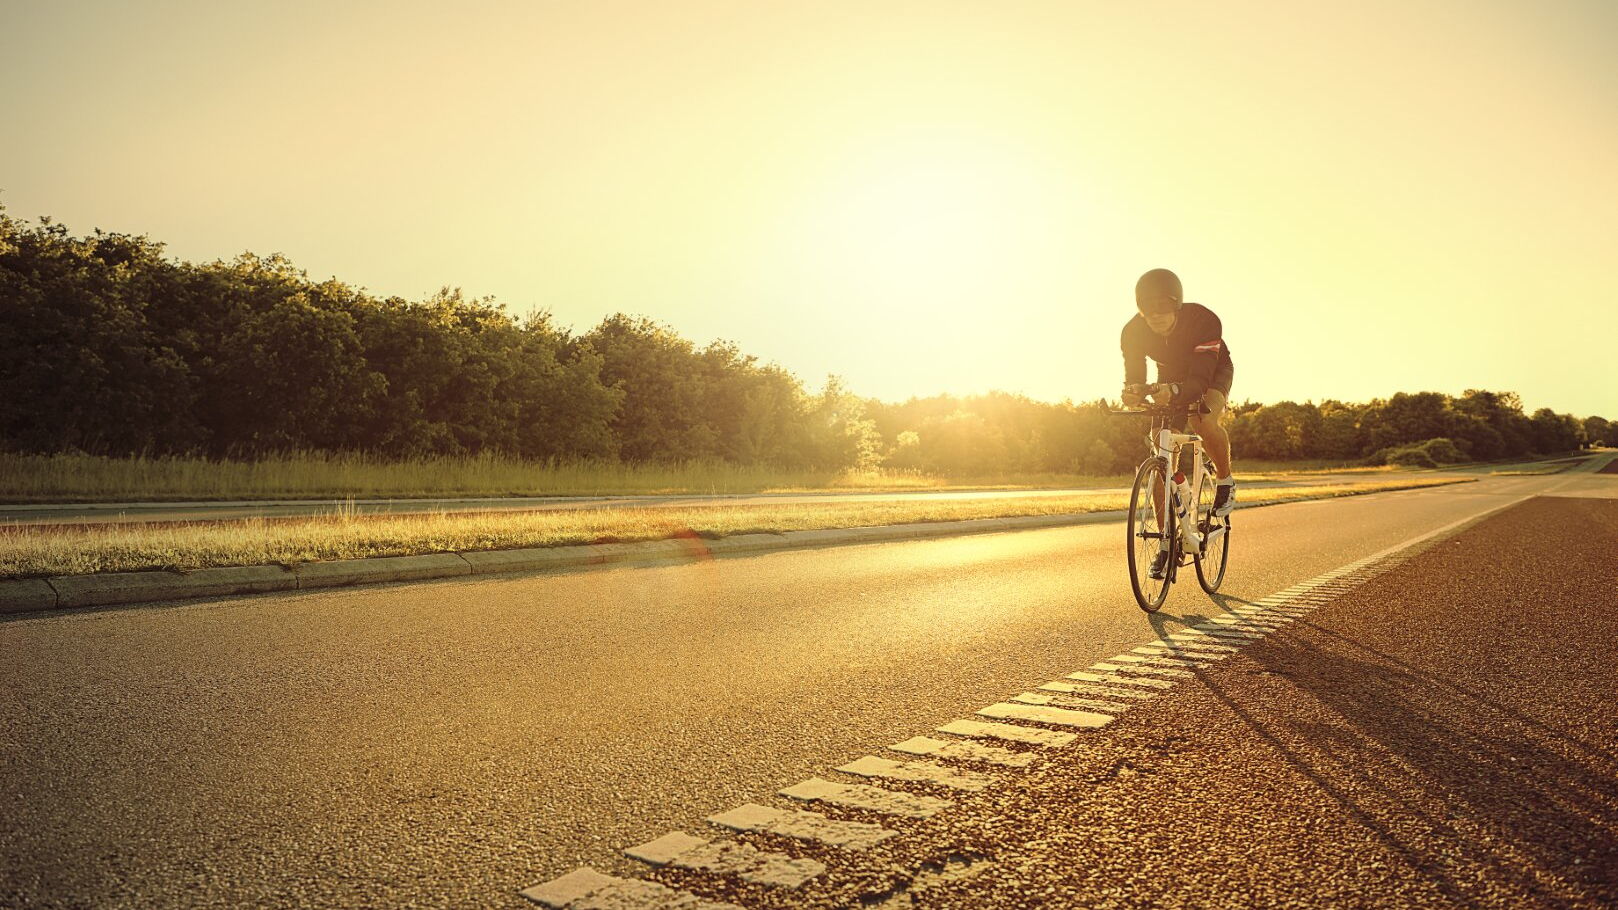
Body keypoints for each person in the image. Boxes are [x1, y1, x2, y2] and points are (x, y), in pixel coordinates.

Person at [1119, 268, 1236, 579]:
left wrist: (1173, 391)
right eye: (1148, 309)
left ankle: (1225, 481)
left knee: (1202, 417)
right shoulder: (1132, 332)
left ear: (1177, 306)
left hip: (1211, 372)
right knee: (1159, 445)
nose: (1155, 316)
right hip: (1169, 374)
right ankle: (1167, 543)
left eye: (1163, 308)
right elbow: (1135, 376)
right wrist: (1133, 392)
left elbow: (1198, 380)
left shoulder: (1204, 321)